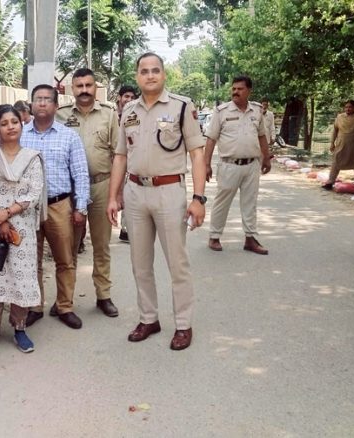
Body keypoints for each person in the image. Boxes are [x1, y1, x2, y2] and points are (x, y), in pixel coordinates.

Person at [106, 53, 206, 351]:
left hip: (169, 192)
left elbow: (197, 153)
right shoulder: (128, 112)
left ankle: (184, 324)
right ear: (137, 76)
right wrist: (113, 196)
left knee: (177, 263)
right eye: (144, 71)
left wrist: (199, 198)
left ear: (164, 75)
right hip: (136, 193)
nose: (150, 75)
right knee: (140, 263)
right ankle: (149, 318)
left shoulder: (181, 106)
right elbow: (121, 156)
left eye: (155, 71)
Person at [0, 105, 46, 359]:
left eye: (15, 121)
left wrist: (8, 213)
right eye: (4, 123)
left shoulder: (32, 158)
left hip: (22, 227)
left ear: (21, 124)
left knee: (20, 276)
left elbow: (34, 192)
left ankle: (20, 328)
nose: (11, 127)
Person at [21, 84, 90, 330]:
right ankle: (34, 306)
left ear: (55, 105)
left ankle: (64, 306)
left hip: (59, 205)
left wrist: (80, 207)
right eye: (37, 99)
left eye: (47, 99)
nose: (42, 103)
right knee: (31, 259)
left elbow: (80, 173)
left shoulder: (68, 135)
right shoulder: (20, 134)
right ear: (30, 104)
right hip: (27, 207)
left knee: (65, 259)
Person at [56, 68, 119, 318]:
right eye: (79, 86)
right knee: (68, 248)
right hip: (69, 190)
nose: (84, 90)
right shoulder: (61, 116)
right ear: (73, 89)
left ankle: (103, 295)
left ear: (96, 88)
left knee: (102, 245)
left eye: (88, 85)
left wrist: (117, 194)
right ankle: (64, 299)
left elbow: (119, 156)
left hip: (101, 185)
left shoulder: (109, 114)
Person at [204, 76, 271, 255]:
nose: (235, 92)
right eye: (233, 88)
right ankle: (214, 236)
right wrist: (206, 164)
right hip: (229, 165)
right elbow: (211, 139)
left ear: (249, 91)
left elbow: (262, 136)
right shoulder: (221, 111)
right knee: (222, 202)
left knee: (250, 203)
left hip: (251, 165)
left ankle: (250, 238)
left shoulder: (256, 111)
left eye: (240, 89)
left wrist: (267, 158)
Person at [323, 100, 354, 190]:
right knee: (336, 162)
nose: (348, 109)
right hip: (342, 145)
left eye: (350, 107)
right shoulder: (340, 117)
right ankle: (330, 182)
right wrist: (332, 143)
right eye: (346, 107)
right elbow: (335, 131)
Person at [116, 85, 138, 242]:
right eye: (126, 97)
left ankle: (125, 229)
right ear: (119, 97)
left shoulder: (136, 116)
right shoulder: (110, 115)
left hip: (128, 163)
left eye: (132, 97)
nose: (129, 100)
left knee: (127, 196)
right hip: (108, 163)